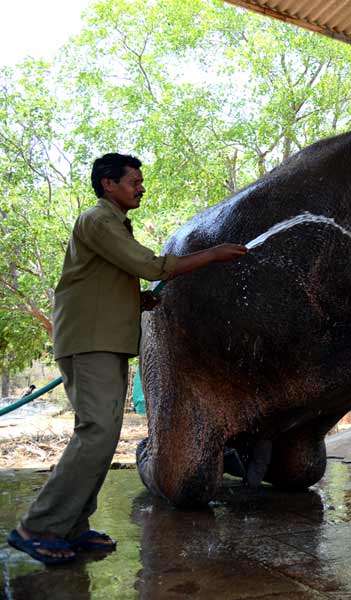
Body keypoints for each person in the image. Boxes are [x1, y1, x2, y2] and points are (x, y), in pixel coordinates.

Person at [7, 153, 247, 564]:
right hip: (89, 342)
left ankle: (72, 526)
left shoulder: (113, 226)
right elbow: (148, 264)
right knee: (96, 433)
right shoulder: (98, 221)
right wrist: (212, 253)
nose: (140, 186)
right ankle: (39, 527)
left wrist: (138, 299)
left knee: (102, 438)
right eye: (133, 180)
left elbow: (105, 282)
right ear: (108, 184)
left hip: (107, 340)